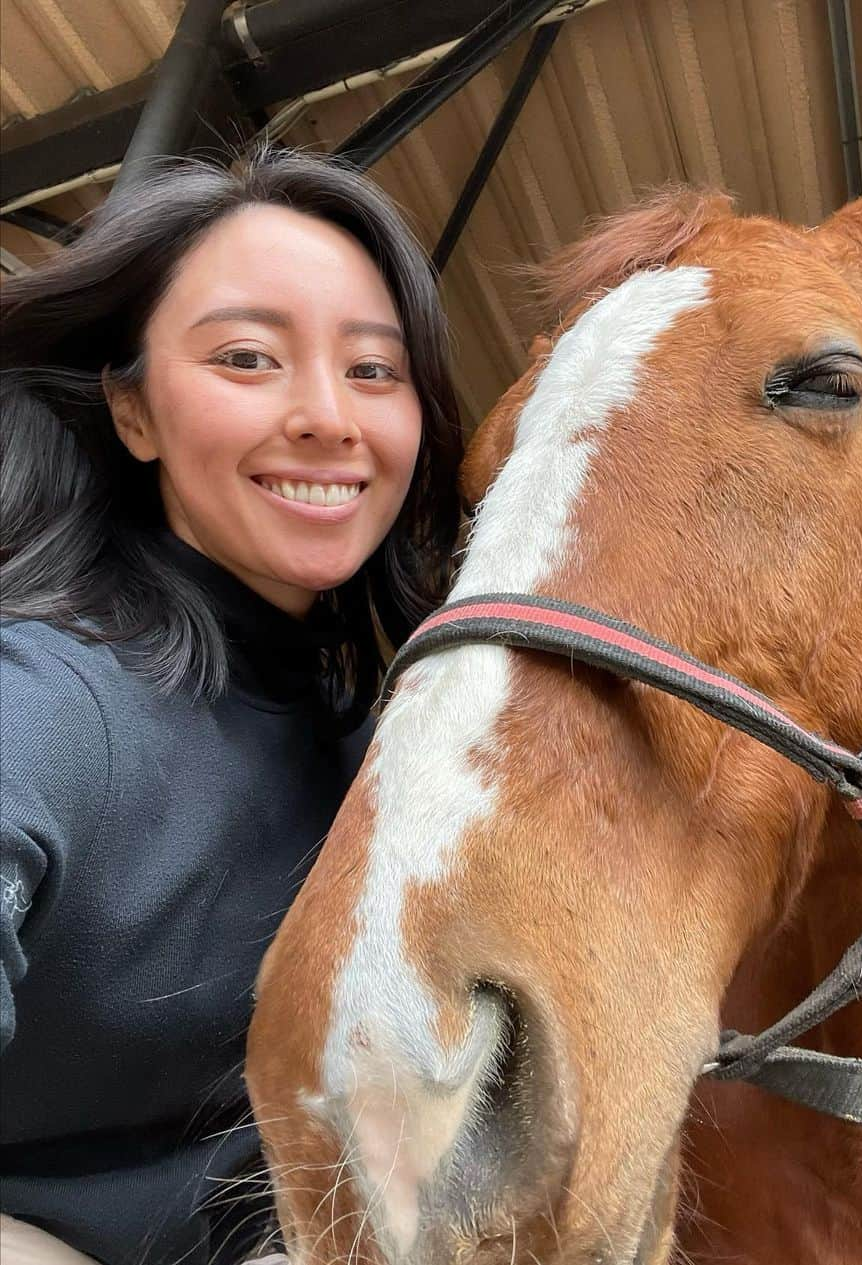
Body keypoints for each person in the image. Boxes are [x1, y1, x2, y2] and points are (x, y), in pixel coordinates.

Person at [0, 148, 464, 1264]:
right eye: (248, 358)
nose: (324, 417)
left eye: (371, 370)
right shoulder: (49, 700)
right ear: (133, 409)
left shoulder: (375, 726)